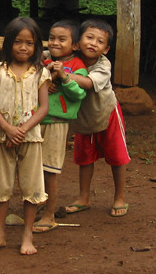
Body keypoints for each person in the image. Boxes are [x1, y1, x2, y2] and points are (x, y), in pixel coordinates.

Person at [0, 17, 50, 255]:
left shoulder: (40, 72)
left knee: (31, 188)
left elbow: (43, 107)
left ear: (36, 46)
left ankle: (27, 235)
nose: (23, 47)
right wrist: (8, 129)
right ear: (8, 43)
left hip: (30, 138)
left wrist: (22, 129)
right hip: (2, 137)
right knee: (1, 187)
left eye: (29, 43)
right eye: (18, 42)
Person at [64, 19, 130, 218]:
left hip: (107, 113)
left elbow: (88, 83)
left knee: (116, 156)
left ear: (106, 49)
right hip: (83, 119)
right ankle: (84, 197)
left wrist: (63, 75)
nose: (93, 43)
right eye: (89, 37)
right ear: (77, 42)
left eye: (100, 41)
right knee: (85, 158)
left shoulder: (103, 65)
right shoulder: (71, 59)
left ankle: (120, 196)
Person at [32, 20, 88, 233]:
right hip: (36, 120)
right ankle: (37, 207)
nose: (55, 42)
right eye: (52, 37)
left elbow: (79, 94)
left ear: (74, 46)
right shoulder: (43, 60)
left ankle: (49, 215)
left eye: (62, 39)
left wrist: (64, 78)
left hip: (56, 122)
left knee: (50, 169)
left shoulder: (77, 66)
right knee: (34, 167)